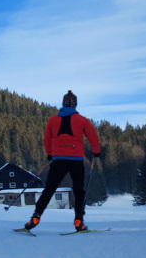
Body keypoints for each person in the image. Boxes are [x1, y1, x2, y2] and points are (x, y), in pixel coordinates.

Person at [24, 90, 101, 232]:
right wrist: (96, 151)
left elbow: (46, 140)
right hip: (76, 160)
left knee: (49, 189)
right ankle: (79, 220)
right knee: (78, 190)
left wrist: (50, 154)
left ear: (63, 104)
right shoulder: (82, 120)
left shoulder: (53, 120)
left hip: (58, 159)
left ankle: (36, 216)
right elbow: (92, 136)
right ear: (75, 105)